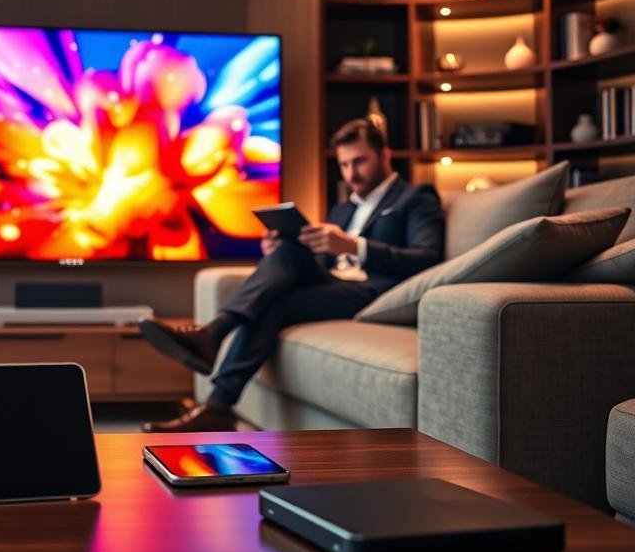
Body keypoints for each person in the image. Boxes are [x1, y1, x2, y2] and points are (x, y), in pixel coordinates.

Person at [138, 117, 445, 432]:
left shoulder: (416, 198)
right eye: (344, 165)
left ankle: (214, 352)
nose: (351, 173)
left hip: (375, 292)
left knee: (275, 306)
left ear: (385, 155)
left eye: (360, 161)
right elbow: (323, 263)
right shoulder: (342, 210)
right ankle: (216, 383)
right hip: (335, 284)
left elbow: (427, 259)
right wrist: (283, 251)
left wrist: (354, 246)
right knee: (287, 249)